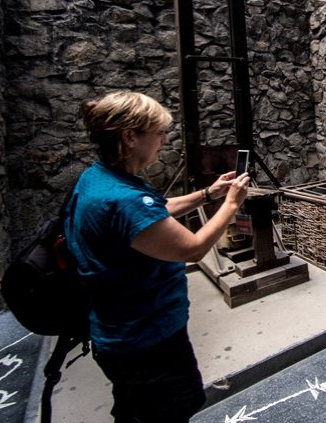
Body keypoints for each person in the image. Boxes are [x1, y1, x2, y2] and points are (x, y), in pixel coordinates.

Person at [65, 90, 250, 422]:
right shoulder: (124, 200)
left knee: (135, 412)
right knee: (167, 411)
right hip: (146, 340)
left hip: (121, 335)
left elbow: (156, 212)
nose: (165, 140)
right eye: (159, 132)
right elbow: (193, 248)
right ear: (130, 137)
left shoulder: (100, 178)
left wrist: (208, 193)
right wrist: (231, 204)